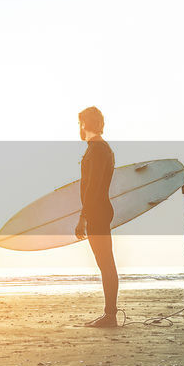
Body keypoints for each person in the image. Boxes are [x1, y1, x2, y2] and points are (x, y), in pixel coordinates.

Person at [75, 106, 118, 327]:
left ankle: (110, 316)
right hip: (99, 212)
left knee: (106, 264)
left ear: (85, 124)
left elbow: (93, 187)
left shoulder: (98, 149)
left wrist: (83, 217)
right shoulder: (100, 149)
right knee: (106, 264)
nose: (79, 127)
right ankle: (109, 314)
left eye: (80, 123)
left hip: (97, 213)